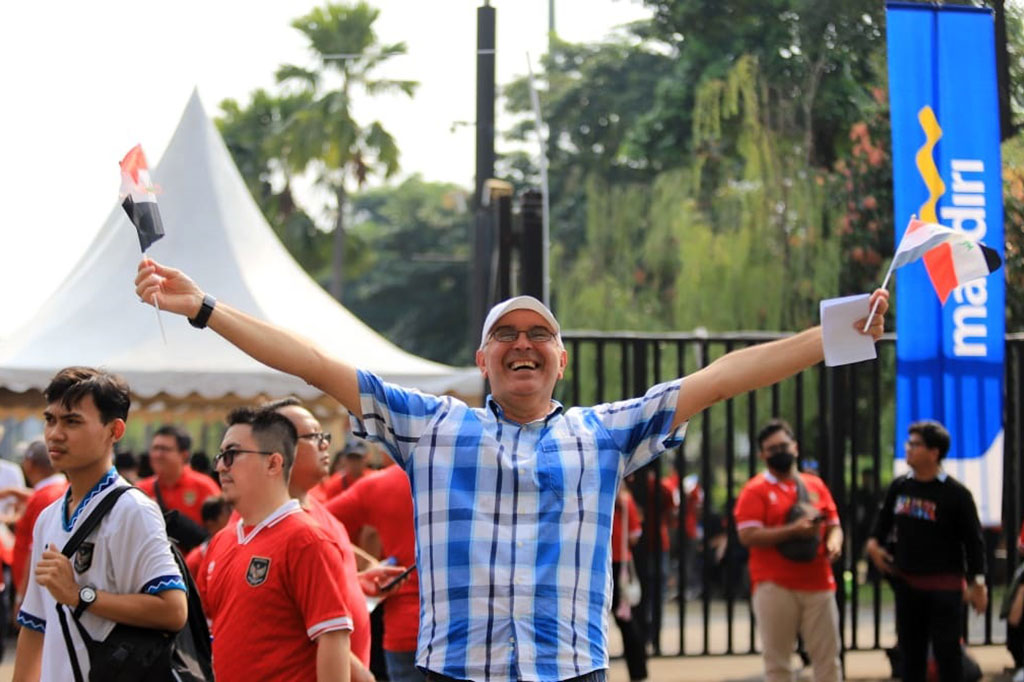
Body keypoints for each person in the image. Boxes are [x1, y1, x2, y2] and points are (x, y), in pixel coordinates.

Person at [135, 259, 888, 682]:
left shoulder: (605, 432)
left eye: (539, 334)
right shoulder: (431, 425)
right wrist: (205, 307)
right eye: (506, 334)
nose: (522, 344)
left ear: (561, 358)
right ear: (482, 359)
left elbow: (725, 376)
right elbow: (312, 360)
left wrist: (831, 335)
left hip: (570, 671)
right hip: (446, 674)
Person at [12, 367, 188, 681]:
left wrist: (81, 596)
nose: (55, 433)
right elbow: (34, 627)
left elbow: (173, 611)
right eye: (50, 420)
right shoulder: (48, 517)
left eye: (72, 421)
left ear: (114, 431)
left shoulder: (133, 510)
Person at [196, 406, 354, 681]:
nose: (221, 466)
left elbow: (333, 639)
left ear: (273, 463)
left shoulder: (306, 539)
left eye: (232, 454)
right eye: (221, 456)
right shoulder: (222, 540)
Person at [264, 396, 398, 682]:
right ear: (278, 450)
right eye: (313, 437)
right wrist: (360, 673)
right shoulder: (269, 524)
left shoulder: (318, 510)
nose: (325, 443)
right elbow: (301, 621)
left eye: (322, 435)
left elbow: (319, 588)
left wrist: (362, 580)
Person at [866, 420, 987, 682]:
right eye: (908, 443)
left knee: (947, 655)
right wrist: (874, 546)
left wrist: (978, 583)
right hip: (908, 586)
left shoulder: (956, 494)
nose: (907, 448)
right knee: (911, 655)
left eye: (915, 444)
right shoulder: (900, 487)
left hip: (944, 589)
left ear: (934, 453)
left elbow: (973, 542)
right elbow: (881, 526)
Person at [734, 419, 843, 682]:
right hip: (774, 585)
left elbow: (834, 525)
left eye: (784, 445)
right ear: (762, 455)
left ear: (795, 447)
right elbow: (747, 535)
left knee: (828, 660)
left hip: (819, 584)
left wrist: (834, 543)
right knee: (778, 665)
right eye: (772, 449)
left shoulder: (814, 485)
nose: (779, 452)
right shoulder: (755, 490)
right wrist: (793, 531)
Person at [329, 454, 422, 682]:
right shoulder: (472, 474)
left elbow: (315, 525)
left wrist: (361, 562)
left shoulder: (379, 483)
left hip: (404, 628)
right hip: (467, 629)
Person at [12, 441, 67, 596]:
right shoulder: (63, 489)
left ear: (29, 464)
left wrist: (21, 597)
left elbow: (35, 549)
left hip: (36, 590)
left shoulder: (43, 497)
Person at [137, 425, 221, 525]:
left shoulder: (204, 487)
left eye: (164, 449)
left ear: (184, 455)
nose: (158, 455)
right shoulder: (141, 490)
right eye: (155, 448)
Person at [610, 485, 647, 681]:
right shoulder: (626, 500)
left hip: (598, 564)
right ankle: (638, 672)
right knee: (626, 620)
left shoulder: (598, 493)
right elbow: (635, 535)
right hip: (620, 564)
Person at [183, 494, 231, 579]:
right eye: (227, 512)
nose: (232, 517)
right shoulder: (195, 560)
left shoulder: (235, 550)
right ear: (211, 524)